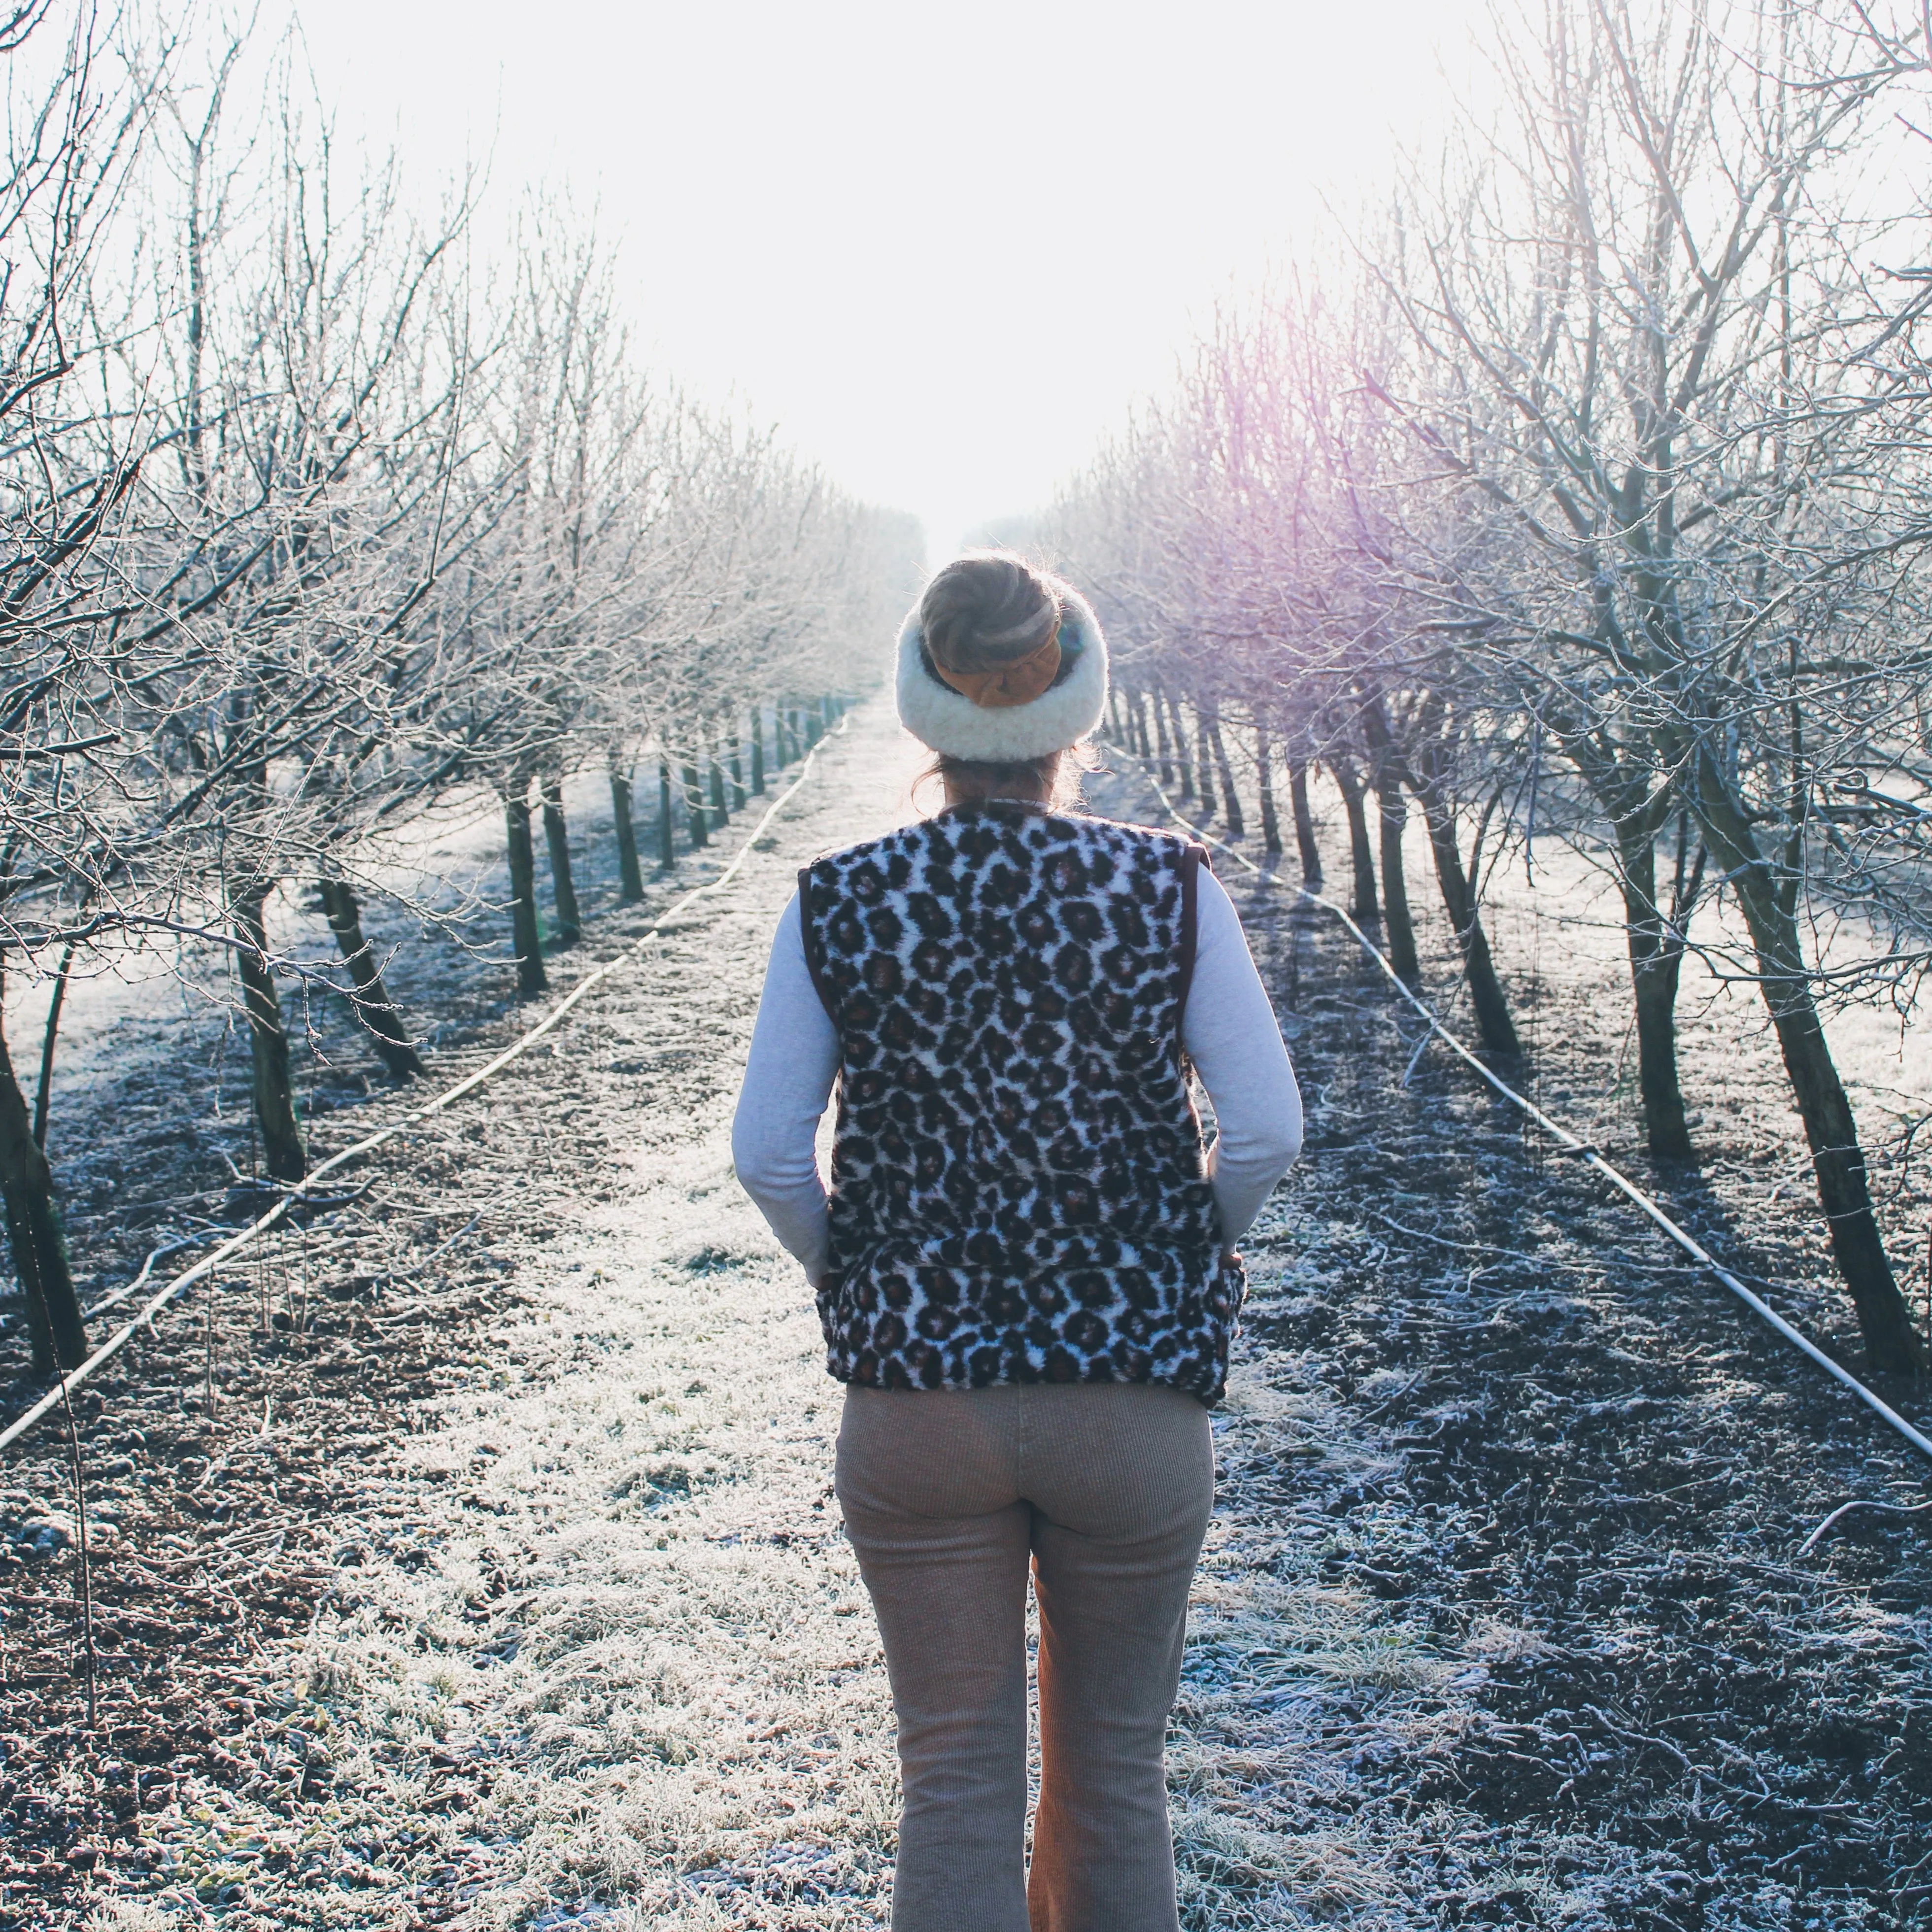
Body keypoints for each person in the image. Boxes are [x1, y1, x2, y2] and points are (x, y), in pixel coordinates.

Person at [731, 551, 1302, 1932]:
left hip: (918, 1409)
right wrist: (1186, 1257)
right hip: (1131, 1405)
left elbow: (765, 1153)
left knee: (952, 1780)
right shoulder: (1172, 892)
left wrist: (858, 1276)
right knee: (1117, 1770)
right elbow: (1272, 1130)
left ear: (926, 717)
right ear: (1076, 713)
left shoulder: (840, 900)